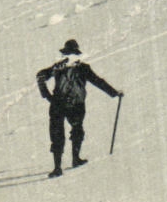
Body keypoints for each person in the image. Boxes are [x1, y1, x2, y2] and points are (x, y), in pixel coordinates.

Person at [36, 39, 122, 177]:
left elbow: (40, 76)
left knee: (67, 133)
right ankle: (68, 162)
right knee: (70, 132)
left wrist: (48, 96)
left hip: (64, 104)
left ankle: (63, 165)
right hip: (72, 104)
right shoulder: (67, 68)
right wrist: (47, 96)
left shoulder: (63, 68)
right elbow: (97, 81)